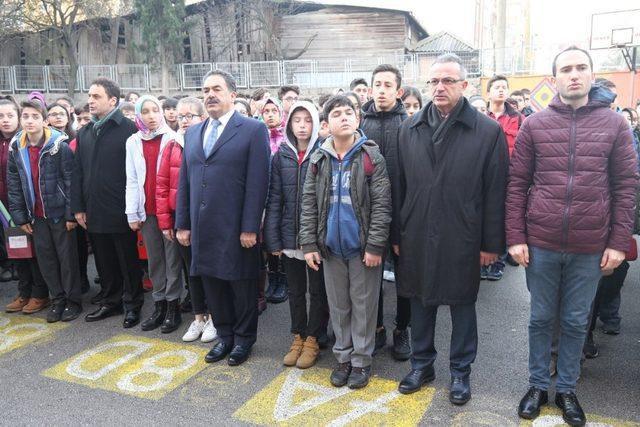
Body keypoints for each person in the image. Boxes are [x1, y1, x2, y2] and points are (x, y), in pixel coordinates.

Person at [508, 46, 638, 426]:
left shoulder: (616, 125)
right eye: (566, 69)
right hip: (542, 243)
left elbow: (626, 186)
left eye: (581, 68)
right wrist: (515, 236)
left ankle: (566, 389)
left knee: (576, 322)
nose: (574, 75)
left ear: (592, 74)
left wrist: (617, 242)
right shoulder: (535, 125)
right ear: (555, 78)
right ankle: (536, 386)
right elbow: (517, 184)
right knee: (540, 318)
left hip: (590, 245)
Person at [392, 53, 508, 406]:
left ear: (464, 85)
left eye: (448, 81)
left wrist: (491, 243)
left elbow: (495, 192)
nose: (439, 88)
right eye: (434, 81)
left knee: (461, 304)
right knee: (420, 301)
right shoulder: (408, 129)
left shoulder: (487, 131)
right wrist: (397, 234)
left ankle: (460, 372)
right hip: (416, 232)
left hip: (464, 233)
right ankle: (422, 364)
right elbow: (399, 187)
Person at [175, 70, 270, 366]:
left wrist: (250, 226)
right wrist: (183, 223)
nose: (210, 95)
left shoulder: (253, 130)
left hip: (236, 226)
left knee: (241, 286)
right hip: (203, 226)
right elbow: (185, 181)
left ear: (232, 94)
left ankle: (243, 340)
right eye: (205, 90)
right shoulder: (193, 132)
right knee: (213, 284)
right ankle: (225, 337)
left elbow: (258, 182)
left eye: (217, 89)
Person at [299, 95, 391, 389]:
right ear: (326, 125)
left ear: (357, 119)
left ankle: (361, 362)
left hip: (362, 249)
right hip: (330, 248)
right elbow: (309, 203)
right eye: (337, 114)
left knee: (363, 306)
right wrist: (310, 244)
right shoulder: (319, 158)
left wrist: (376, 246)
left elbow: (381, 205)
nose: (344, 117)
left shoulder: (370, 156)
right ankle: (343, 357)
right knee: (339, 306)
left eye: (349, 112)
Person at [71, 77, 144, 328]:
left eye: (96, 96)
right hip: (93, 208)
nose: (90, 101)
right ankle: (111, 302)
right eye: (89, 96)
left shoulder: (129, 129)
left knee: (127, 260)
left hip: (121, 208)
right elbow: (77, 172)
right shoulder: (85, 132)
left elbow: (137, 173)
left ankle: (133, 304)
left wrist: (134, 208)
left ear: (112, 100)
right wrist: (78, 207)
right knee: (103, 260)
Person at [264, 100, 327, 369]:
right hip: (289, 236)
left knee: (318, 291)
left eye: (308, 120)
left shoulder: (324, 153)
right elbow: (274, 198)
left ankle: (314, 338)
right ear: (289, 124)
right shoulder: (282, 155)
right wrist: (274, 239)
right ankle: (298, 335)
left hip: (315, 238)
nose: (302, 125)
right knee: (296, 290)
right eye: (297, 120)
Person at [7, 100, 83, 322]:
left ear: (45, 120)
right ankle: (57, 298)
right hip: (36, 215)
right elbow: (14, 184)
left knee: (66, 259)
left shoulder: (59, 145)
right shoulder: (17, 147)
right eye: (26, 117)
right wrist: (20, 216)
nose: (30, 121)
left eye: (35, 116)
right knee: (46, 260)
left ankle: (72, 300)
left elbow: (70, 181)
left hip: (59, 213)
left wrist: (71, 214)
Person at [360, 64, 411, 361]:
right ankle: (376, 326)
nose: (381, 90)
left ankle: (402, 328)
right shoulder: (359, 125)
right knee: (371, 275)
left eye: (387, 85)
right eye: (377, 84)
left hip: (402, 212)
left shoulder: (409, 124)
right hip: (367, 214)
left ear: (398, 91)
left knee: (405, 277)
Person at [156, 96, 216, 343]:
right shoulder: (172, 145)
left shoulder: (210, 144)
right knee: (191, 271)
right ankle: (199, 316)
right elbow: (162, 185)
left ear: (203, 118)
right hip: (181, 218)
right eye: (180, 117)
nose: (183, 121)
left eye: (189, 116)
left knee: (209, 271)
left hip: (206, 219)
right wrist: (167, 222)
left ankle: (214, 316)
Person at [125, 95, 184, 333]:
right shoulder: (132, 141)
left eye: (154, 110)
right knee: (155, 260)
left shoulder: (173, 138)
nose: (151, 116)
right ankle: (158, 304)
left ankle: (173, 307)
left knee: (172, 260)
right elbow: (131, 178)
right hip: (146, 210)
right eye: (145, 111)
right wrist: (132, 212)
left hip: (167, 212)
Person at [1, 99, 49, 313]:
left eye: (10, 115)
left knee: (34, 253)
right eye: (1, 117)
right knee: (17, 251)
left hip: (25, 207)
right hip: (5, 209)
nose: (5, 120)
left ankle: (39, 294)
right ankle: (24, 292)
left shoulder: (21, 143)